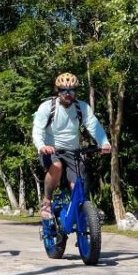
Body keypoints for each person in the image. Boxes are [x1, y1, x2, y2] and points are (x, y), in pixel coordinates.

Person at [32, 73, 111, 220]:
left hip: (72, 151)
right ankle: (47, 202)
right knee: (56, 166)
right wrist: (42, 146)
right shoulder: (47, 107)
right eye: (63, 91)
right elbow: (37, 130)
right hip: (51, 150)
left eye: (71, 91)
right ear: (58, 91)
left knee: (78, 187)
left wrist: (104, 142)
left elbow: (94, 126)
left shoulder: (82, 107)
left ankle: (80, 215)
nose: (67, 94)